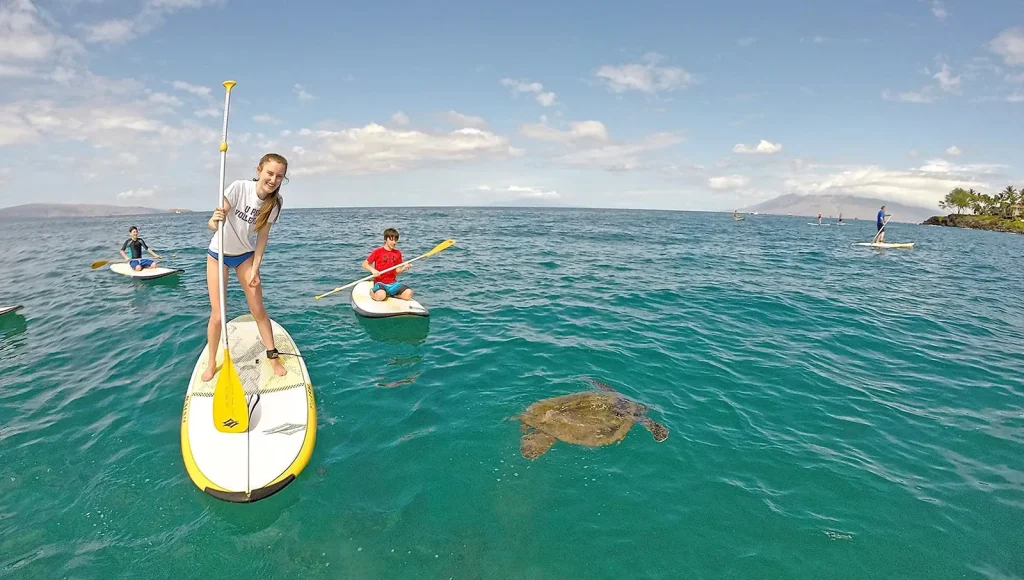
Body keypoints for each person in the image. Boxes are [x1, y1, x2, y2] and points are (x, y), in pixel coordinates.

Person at [200, 153, 288, 382]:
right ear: (259, 170)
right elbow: (214, 221)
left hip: (244, 256)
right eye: (270, 173)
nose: (273, 179)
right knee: (218, 315)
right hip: (217, 255)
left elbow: (262, 238)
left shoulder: (274, 204)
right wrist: (213, 221)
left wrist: (255, 268)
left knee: (258, 310)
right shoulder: (239, 188)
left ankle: (273, 357)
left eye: (279, 176)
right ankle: (211, 362)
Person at [362, 228, 414, 301]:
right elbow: (364, 264)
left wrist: (404, 268)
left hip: (393, 284)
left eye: (395, 240)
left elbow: (397, 271)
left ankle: (392, 295)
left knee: (409, 293)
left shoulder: (398, 253)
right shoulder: (378, 251)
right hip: (380, 283)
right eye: (391, 240)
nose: (394, 242)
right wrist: (373, 270)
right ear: (385, 239)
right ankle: (372, 292)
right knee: (380, 296)